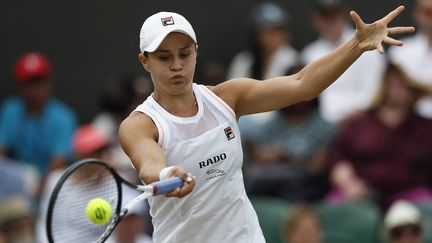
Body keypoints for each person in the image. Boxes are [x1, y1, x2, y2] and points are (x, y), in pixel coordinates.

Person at [119, 7, 414, 243]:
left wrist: (356, 45)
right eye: (164, 57)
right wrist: (167, 173)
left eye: (185, 54)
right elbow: (149, 163)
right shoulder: (140, 124)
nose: (176, 65)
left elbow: (302, 84)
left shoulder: (228, 97)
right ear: (144, 61)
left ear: (196, 50)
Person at [326, 63, 432, 209]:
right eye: (393, 85)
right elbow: (338, 159)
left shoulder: (425, 127)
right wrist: (349, 183)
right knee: (335, 209)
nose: (398, 91)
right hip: (362, 192)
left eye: (403, 85)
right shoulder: (360, 123)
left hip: (410, 194)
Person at [0, 52, 78, 196]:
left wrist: (36, 194)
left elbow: (58, 163)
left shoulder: (63, 117)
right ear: (20, 86)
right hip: (17, 180)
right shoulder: (11, 110)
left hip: (48, 186)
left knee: (56, 178)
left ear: (49, 84)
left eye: (39, 82)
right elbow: (2, 153)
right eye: (29, 83)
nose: (35, 89)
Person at [301, 0, 386, 123]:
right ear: (316, 20)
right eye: (326, 17)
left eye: (336, 16)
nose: (332, 22)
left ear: (345, 16)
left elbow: (375, 89)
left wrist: (355, 114)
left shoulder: (368, 45)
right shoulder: (309, 54)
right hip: (320, 125)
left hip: (363, 120)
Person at [227, 2, 300, 137]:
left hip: (280, 125)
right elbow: (231, 101)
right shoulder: (242, 61)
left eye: (281, 29)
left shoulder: (293, 60)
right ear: (257, 34)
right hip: (244, 122)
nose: (278, 35)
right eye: (272, 30)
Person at [389, 0, 432, 119]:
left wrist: (414, 88)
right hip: (407, 124)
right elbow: (393, 91)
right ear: (417, 15)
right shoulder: (400, 50)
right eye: (429, 12)